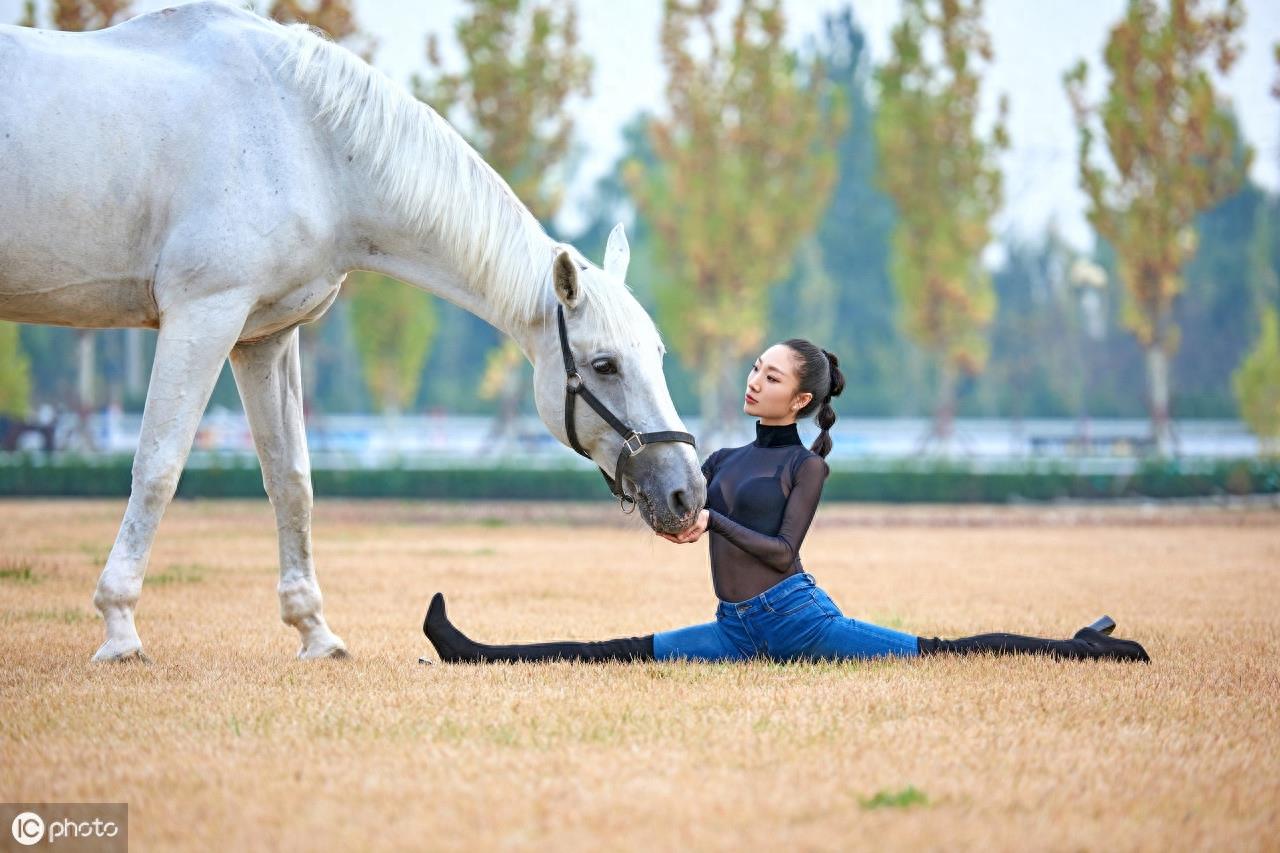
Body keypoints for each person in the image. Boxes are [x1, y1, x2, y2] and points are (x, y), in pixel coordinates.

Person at [422, 340, 1150, 664]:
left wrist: (715, 520)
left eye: (770, 377)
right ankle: (473, 654)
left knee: (943, 654)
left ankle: (1083, 649)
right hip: (735, 631)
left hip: (802, 623)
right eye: (754, 369)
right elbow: (687, 509)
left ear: (800, 399)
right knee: (615, 653)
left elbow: (781, 552)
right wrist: (673, 520)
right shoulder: (721, 459)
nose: (754, 381)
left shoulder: (807, 467)